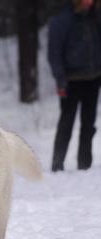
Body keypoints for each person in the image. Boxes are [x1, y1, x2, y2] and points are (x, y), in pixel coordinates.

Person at [48, 0, 101, 172]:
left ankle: (84, 164)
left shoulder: (94, 18)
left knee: (89, 124)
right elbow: (54, 53)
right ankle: (57, 165)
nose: (89, 2)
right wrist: (60, 80)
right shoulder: (62, 21)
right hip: (71, 81)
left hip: (93, 79)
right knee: (66, 124)